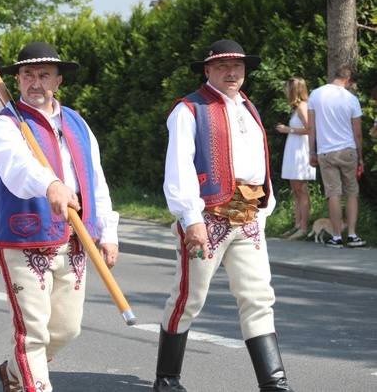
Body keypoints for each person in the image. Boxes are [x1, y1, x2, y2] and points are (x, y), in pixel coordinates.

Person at [156, 40, 294, 392]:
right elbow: (179, 168)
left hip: (248, 217)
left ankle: (274, 383)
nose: (232, 72)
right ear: (207, 70)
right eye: (222, 67)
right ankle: (167, 378)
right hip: (208, 219)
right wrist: (191, 219)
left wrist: (264, 210)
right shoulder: (189, 109)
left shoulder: (249, 107)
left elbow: (258, 166)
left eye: (238, 67)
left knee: (259, 296)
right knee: (189, 297)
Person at [0, 41, 119, 392]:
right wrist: (51, 185)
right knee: (33, 331)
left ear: (59, 81)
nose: (35, 82)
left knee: (66, 329)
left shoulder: (77, 122)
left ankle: (14, 371)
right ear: (17, 79)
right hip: (25, 238)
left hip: (76, 237)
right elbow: (17, 167)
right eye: (27, 74)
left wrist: (107, 231)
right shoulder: (5, 124)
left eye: (44, 75)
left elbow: (95, 179)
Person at [307, 63, 365, 248]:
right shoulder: (351, 99)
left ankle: (336, 237)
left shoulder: (315, 94)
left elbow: (311, 127)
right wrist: (360, 157)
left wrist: (312, 152)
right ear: (348, 79)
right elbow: (358, 133)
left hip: (325, 151)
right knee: (351, 193)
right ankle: (353, 235)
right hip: (347, 150)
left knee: (333, 194)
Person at [275, 77, 316, 240]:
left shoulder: (302, 107)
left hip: (301, 152)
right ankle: (297, 224)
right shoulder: (296, 108)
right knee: (296, 192)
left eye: (287, 87)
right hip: (294, 150)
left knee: (302, 190)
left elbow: (310, 129)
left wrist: (288, 130)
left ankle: (304, 226)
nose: (285, 90)